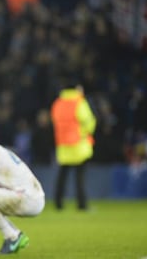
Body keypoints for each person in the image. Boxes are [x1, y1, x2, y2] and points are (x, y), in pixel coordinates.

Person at [50, 82, 96, 210]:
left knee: (62, 176)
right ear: (76, 88)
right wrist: (85, 133)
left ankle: (58, 203)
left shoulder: (57, 103)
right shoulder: (80, 102)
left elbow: (55, 121)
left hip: (63, 145)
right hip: (79, 144)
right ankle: (82, 204)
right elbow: (88, 121)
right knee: (80, 176)